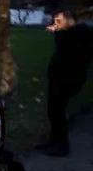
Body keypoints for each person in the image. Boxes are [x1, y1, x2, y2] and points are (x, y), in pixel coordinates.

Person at [37, 9, 93, 156]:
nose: (56, 24)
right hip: (60, 77)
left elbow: (68, 50)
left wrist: (58, 31)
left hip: (67, 79)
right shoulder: (71, 33)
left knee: (57, 111)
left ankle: (61, 146)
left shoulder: (79, 34)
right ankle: (54, 142)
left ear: (70, 21)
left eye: (59, 21)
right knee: (54, 111)